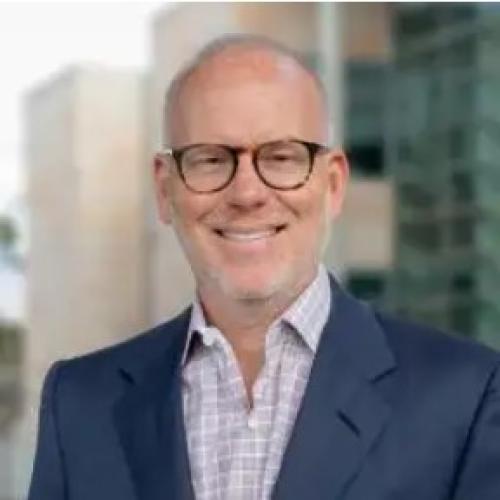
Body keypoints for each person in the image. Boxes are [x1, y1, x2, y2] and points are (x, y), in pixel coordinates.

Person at [28, 35, 500, 500]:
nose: (247, 193)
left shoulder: (466, 396)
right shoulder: (79, 406)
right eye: (211, 160)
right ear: (165, 189)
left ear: (333, 184)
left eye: (281, 157)